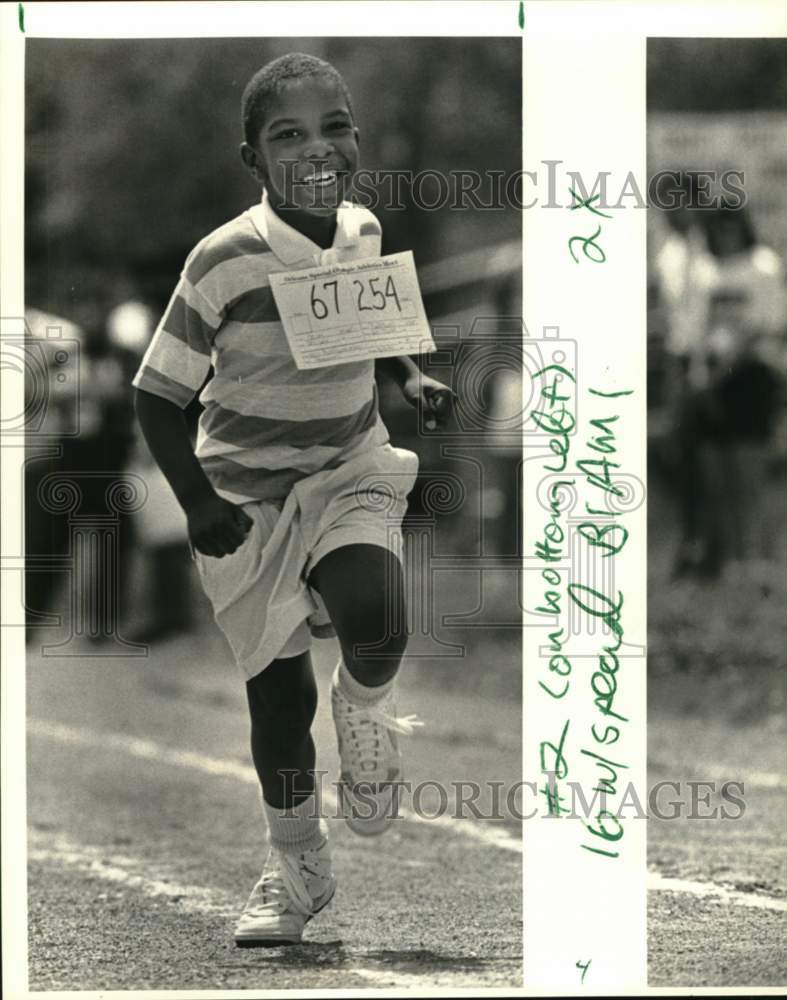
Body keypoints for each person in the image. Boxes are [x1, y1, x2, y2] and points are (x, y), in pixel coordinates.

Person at [132, 53, 454, 947]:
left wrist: (407, 374)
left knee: (377, 617)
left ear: (355, 135)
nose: (319, 147)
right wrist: (196, 501)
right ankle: (296, 867)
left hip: (345, 465)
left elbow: (370, 322)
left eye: (335, 125)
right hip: (241, 499)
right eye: (289, 134)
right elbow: (156, 396)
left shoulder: (361, 226)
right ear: (253, 160)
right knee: (279, 708)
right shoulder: (221, 263)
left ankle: (367, 710)